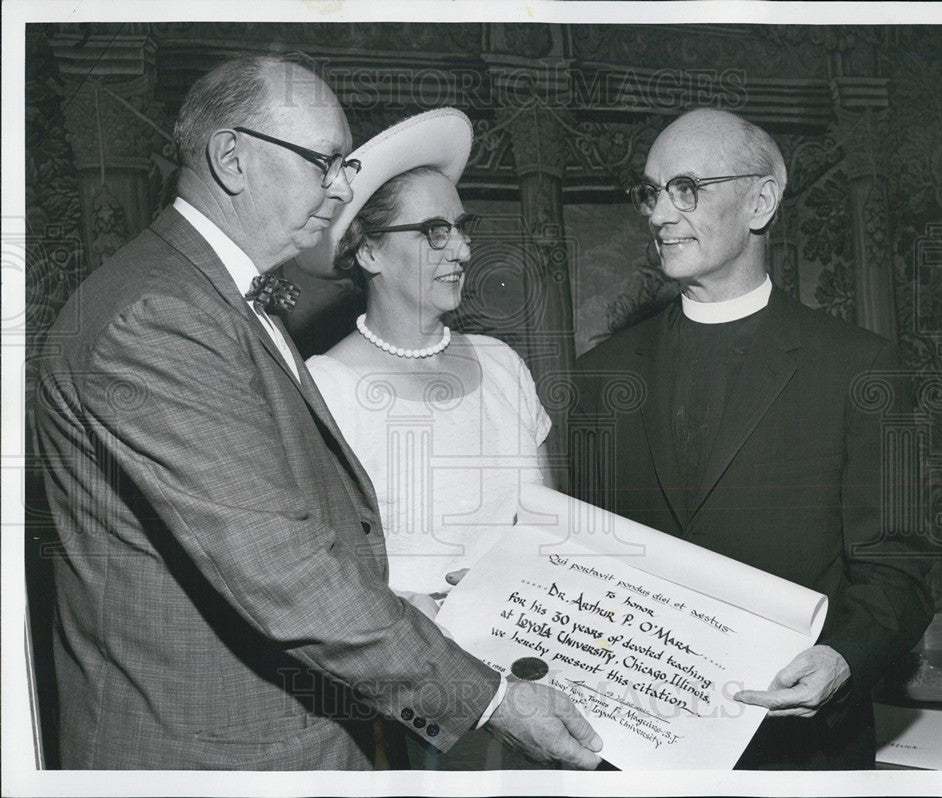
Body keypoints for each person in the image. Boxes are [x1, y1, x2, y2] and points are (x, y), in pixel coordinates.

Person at [32, 53, 602, 771]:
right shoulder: (157, 315)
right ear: (232, 159)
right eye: (325, 162)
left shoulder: (213, 297)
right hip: (221, 758)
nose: (340, 190)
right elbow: (284, 573)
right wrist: (492, 701)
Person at [570, 108, 933, 769]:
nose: (658, 214)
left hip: (796, 748)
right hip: (635, 751)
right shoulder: (602, 375)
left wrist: (842, 659)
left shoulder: (861, 368)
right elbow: (585, 566)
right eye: (651, 192)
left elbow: (899, 575)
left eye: (687, 188)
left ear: (761, 201)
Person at [302, 109, 556, 769]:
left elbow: (551, 537)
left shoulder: (502, 365)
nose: (463, 250)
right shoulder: (322, 389)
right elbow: (322, 580)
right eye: (434, 231)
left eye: (462, 229)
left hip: (531, 681)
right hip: (405, 709)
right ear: (369, 250)